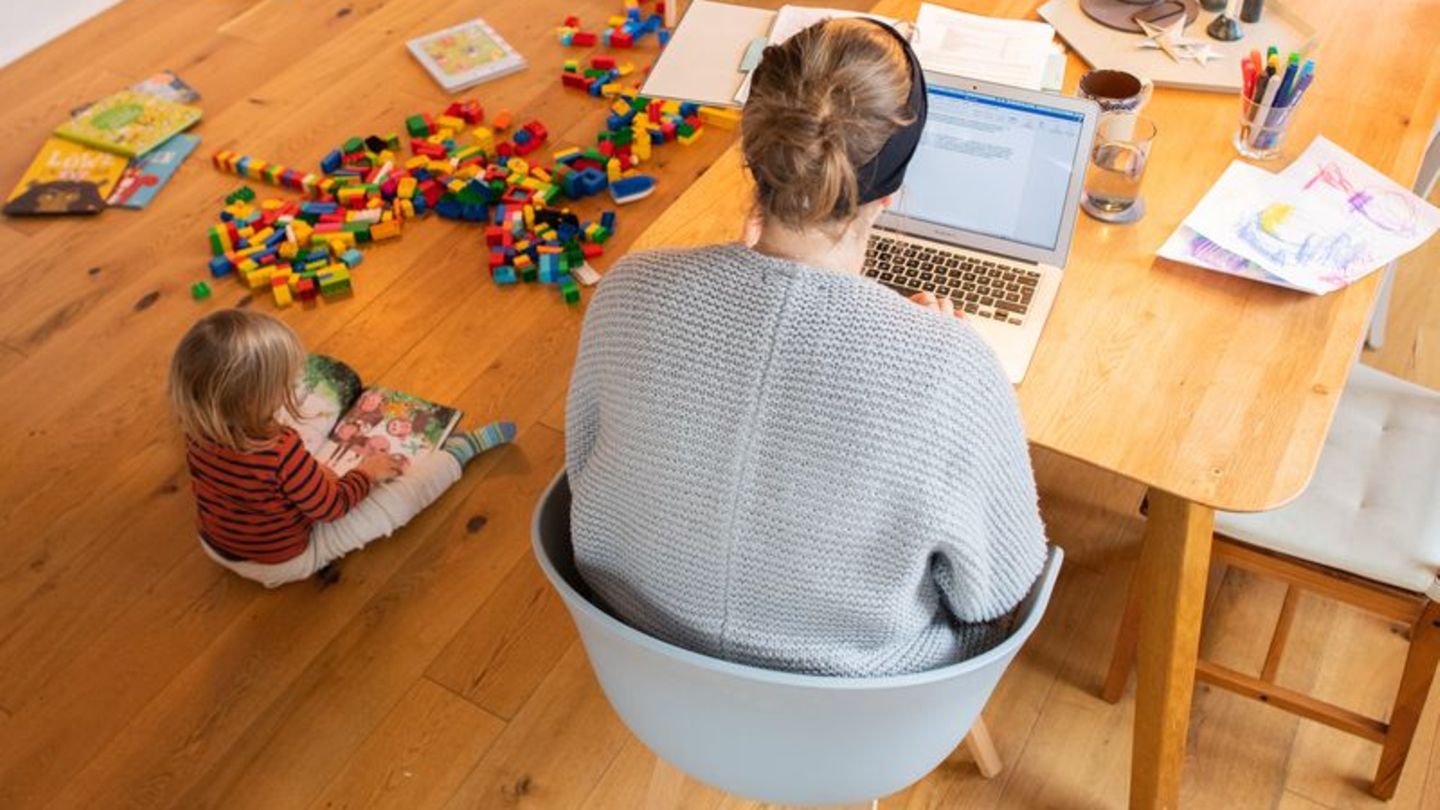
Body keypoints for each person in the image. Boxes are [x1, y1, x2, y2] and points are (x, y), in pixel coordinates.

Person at [565, 18, 1048, 677]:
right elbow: (996, 592)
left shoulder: (627, 291)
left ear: (754, 152)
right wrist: (939, 361)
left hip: (639, 656)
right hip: (860, 709)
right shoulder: (953, 372)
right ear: (893, 189)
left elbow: (585, 465)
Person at [168, 310, 515, 588]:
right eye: (281, 385)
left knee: (306, 450)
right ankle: (458, 452)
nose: (289, 386)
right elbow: (331, 507)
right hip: (284, 561)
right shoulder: (280, 451)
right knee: (396, 502)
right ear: (250, 399)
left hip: (215, 545)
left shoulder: (196, 427)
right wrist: (365, 474)